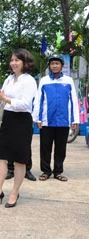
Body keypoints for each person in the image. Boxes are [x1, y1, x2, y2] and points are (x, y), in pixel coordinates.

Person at [0, 48, 37, 208]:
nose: (13, 63)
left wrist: (5, 98)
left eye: (17, 60)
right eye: (12, 60)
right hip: (8, 119)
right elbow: (2, 102)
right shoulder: (9, 78)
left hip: (22, 121)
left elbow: (25, 104)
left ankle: (14, 193)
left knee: (19, 160)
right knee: (1, 157)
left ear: (25, 62)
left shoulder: (29, 81)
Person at [32, 54, 79, 182]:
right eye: (52, 64)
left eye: (57, 63)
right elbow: (38, 100)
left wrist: (75, 120)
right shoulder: (44, 80)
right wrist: (37, 118)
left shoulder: (68, 81)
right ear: (50, 66)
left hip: (63, 121)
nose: (54, 66)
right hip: (47, 120)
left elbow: (74, 100)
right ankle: (46, 171)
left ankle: (58, 171)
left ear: (62, 66)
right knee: (45, 147)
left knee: (61, 148)